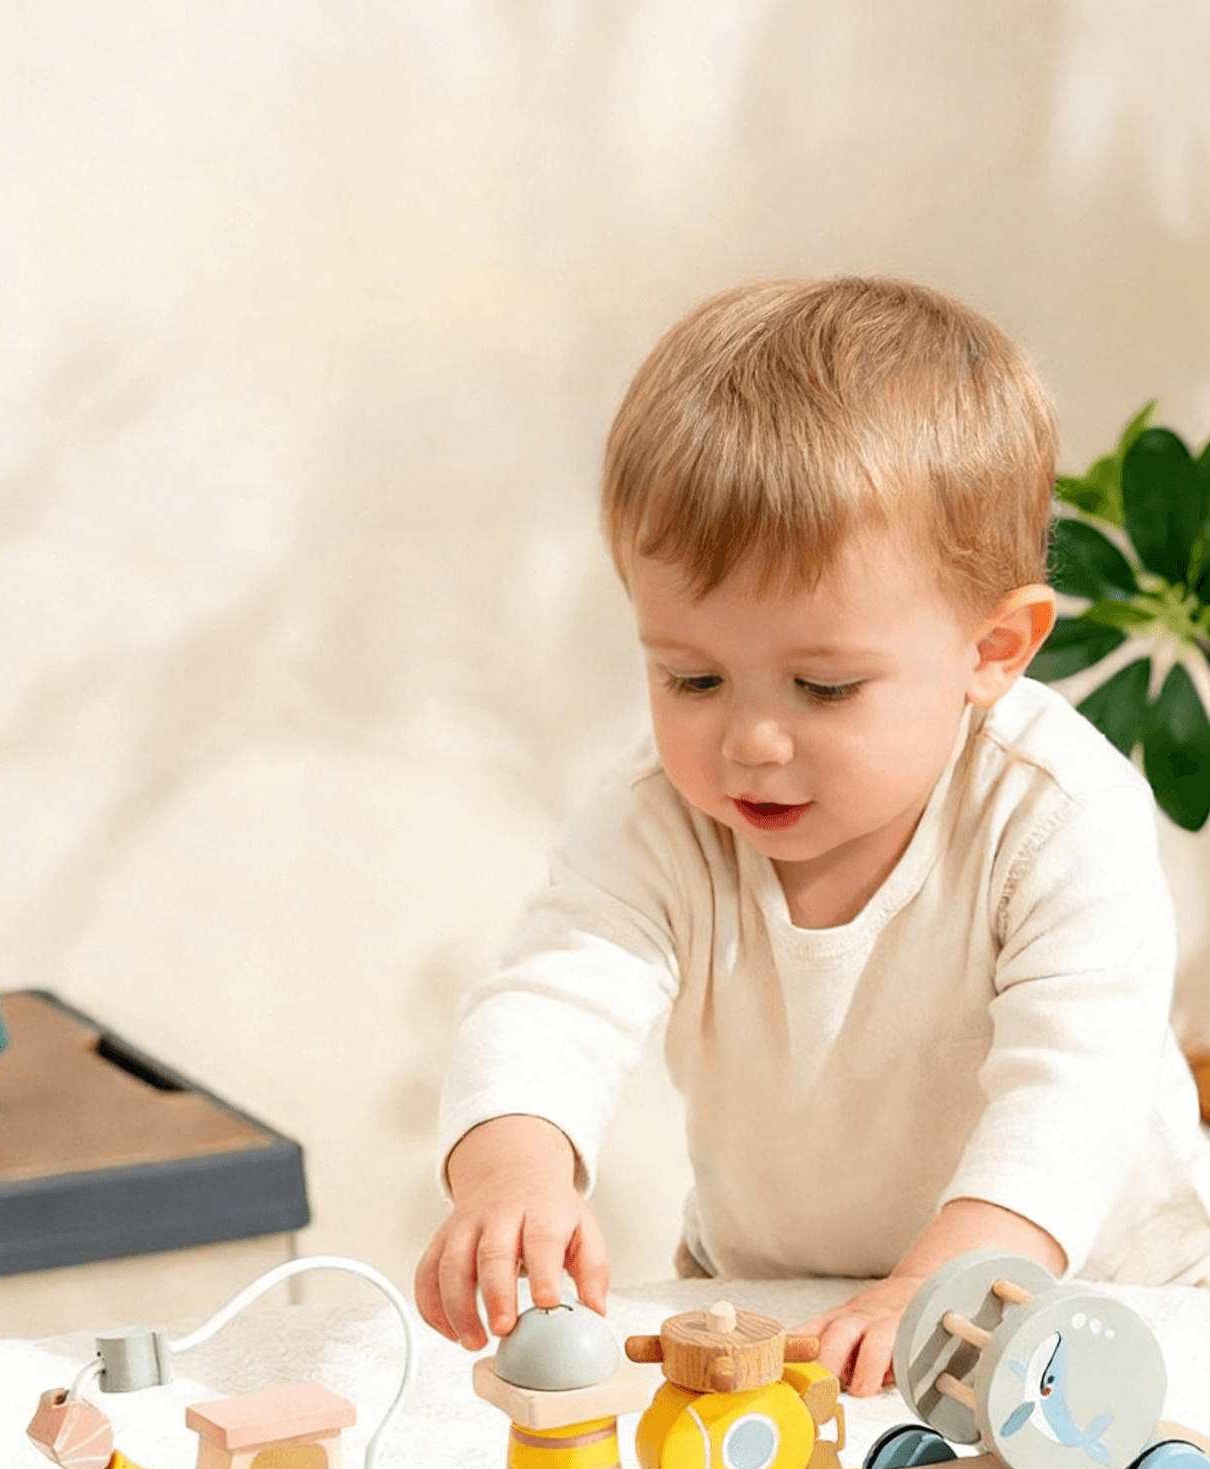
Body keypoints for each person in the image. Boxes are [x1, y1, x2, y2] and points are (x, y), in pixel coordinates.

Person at [414, 275, 1210, 1395]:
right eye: (691, 677)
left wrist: (942, 1281)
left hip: (1089, 1299)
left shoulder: (1056, 814)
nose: (751, 742)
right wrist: (511, 1173)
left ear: (993, 650)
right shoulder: (657, 819)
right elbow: (553, 998)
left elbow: (1074, 1089)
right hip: (777, 1299)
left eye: (825, 687)